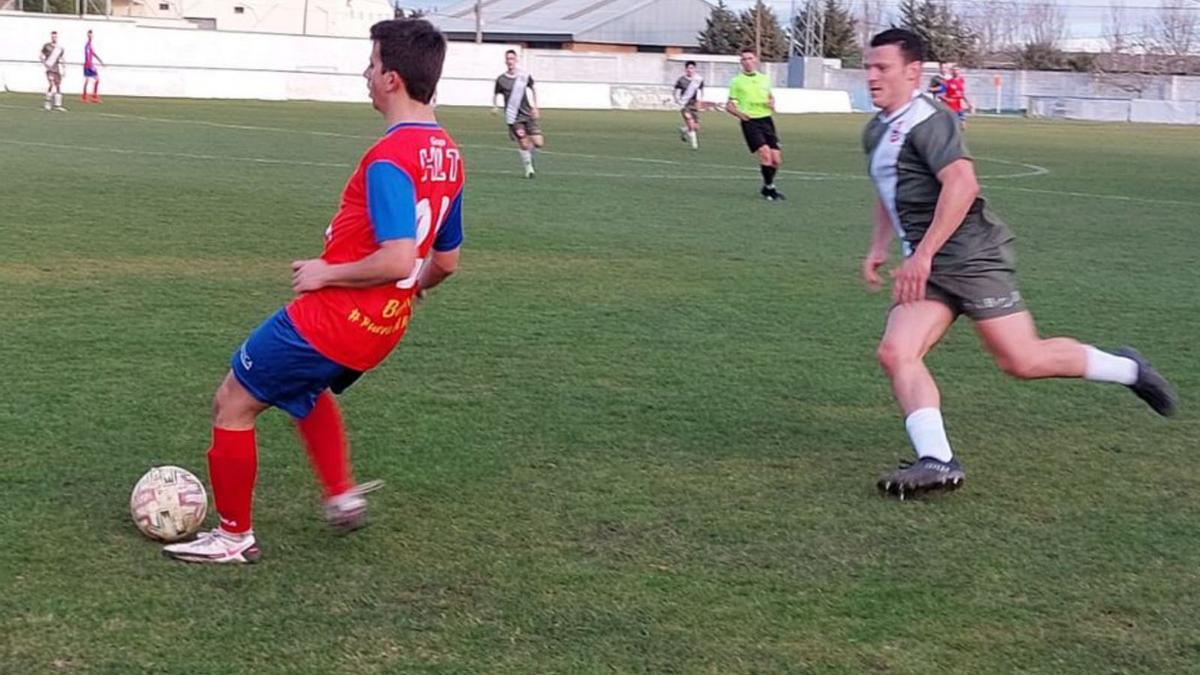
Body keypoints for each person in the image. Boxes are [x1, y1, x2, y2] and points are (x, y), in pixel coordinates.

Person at [163, 18, 465, 563]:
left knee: (233, 401)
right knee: (304, 390)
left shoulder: (390, 157)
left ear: (392, 79)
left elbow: (398, 255)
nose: (366, 74)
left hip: (333, 319)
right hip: (384, 327)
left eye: (372, 65)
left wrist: (327, 274)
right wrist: (408, 289)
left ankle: (233, 537)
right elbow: (444, 261)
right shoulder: (448, 154)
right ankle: (342, 495)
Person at [860, 28, 1176, 499]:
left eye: (881, 67)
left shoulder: (930, 121)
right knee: (896, 352)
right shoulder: (878, 128)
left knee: (1022, 360)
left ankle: (1129, 369)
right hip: (929, 266)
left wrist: (922, 254)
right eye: (867, 66)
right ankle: (938, 460)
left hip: (971, 257)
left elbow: (962, 185)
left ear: (912, 71)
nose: (871, 76)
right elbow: (891, 188)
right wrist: (880, 246)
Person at [726, 48, 784, 201]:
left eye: (750, 58)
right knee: (765, 154)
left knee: (776, 160)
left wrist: (772, 102)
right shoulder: (736, 81)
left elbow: (770, 97)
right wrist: (740, 114)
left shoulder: (765, 79)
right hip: (750, 121)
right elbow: (729, 105)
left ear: (756, 60)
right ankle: (770, 189)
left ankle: (767, 186)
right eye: (744, 59)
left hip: (767, 120)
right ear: (741, 63)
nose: (747, 61)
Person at [493, 49, 543, 179]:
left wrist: (535, 107)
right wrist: (495, 106)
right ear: (505, 61)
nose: (510, 61)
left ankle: (528, 156)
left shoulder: (524, 76)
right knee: (524, 143)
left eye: (512, 59)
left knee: (538, 143)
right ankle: (529, 169)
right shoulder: (501, 79)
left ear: (516, 60)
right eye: (508, 59)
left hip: (527, 114)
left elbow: (533, 89)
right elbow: (496, 94)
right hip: (514, 117)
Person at [673, 60, 704, 150]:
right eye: (688, 68)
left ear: (695, 69)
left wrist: (700, 101)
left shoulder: (699, 79)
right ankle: (694, 145)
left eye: (692, 68)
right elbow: (675, 90)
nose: (690, 70)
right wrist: (677, 99)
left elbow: (701, 91)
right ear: (686, 69)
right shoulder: (681, 80)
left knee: (696, 127)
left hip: (693, 104)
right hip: (685, 104)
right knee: (690, 121)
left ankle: (683, 130)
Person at [40, 31, 66, 112]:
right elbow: (41, 56)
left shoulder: (60, 48)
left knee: (58, 85)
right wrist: (45, 64)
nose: (54, 38)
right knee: (51, 84)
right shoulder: (47, 46)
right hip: (50, 69)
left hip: (56, 69)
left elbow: (62, 58)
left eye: (55, 37)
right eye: (53, 37)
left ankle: (58, 105)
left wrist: (64, 68)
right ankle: (47, 104)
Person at [81, 30, 104, 103]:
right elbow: (88, 56)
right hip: (88, 65)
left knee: (96, 80)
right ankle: (86, 97)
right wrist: (90, 65)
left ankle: (93, 96)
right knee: (88, 80)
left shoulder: (90, 45)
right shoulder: (87, 45)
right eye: (89, 35)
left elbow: (93, 53)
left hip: (90, 64)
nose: (90, 36)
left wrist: (100, 61)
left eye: (91, 35)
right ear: (88, 36)